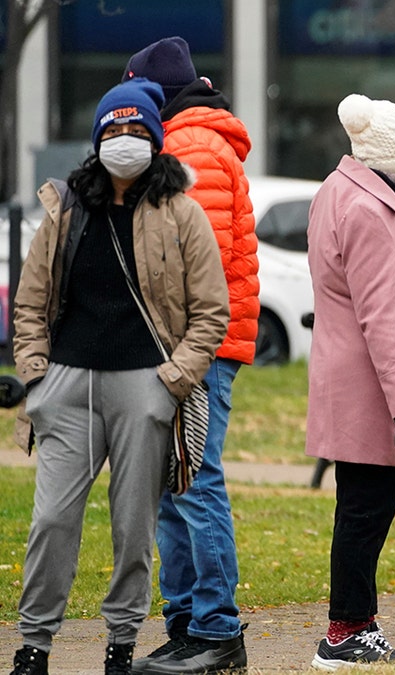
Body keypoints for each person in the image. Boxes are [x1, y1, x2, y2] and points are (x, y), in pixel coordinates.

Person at [8, 78, 229, 675]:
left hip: (145, 387)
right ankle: (33, 645)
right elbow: (28, 305)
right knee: (53, 519)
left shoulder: (180, 212)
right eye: (114, 130)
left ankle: (121, 644)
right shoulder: (65, 208)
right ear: (97, 138)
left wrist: (174, 380)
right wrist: (36, 377)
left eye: (137, 131)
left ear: (156, 141)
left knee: (134, 529)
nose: (125, 141)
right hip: (67, 385)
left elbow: (212, 311)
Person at [119, 36, 259, 674]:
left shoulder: (191, 144)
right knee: (174, 483)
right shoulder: (186, 138)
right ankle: (187, 623)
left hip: (195, 345)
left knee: (195, 480)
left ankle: (215, 630)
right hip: (185, 344)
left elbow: (184, 261)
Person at [305, 94, 395, 668]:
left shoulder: (342, 190)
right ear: (392, 162)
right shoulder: (368, 211)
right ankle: (344, 634)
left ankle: (357, 625)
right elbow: (380, 317)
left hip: (361, 381)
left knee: (361, 510)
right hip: (374, 387)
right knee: (365, 513)